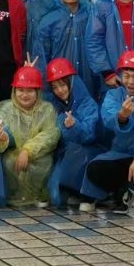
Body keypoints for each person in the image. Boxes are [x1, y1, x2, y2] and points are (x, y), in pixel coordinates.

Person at [80, 52, 134, 215]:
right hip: (123, 154)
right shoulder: (113, 95)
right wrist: (122, 116)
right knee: (95, 168)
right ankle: (121, 190)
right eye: (126, 76)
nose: (131, 82)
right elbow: (108, 118)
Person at [0, 66, 60, 209]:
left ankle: (38, 195)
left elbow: (50, 135)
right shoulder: (2, 109)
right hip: (10, 154)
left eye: (30, 90)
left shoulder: (47, 109)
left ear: (37, 92)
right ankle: (9, 196)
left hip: (39, 155)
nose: (25, 95)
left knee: (43, 162)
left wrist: (27, 150)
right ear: (14, 90)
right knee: (9, 162)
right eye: (21, 90)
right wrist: (1, 139)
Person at [44, 58, 100, 212]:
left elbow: (89, 135)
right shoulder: (54, 103)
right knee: (56, 197)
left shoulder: (87, 104)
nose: (60, 90)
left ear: (72, 82)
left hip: (85, 153)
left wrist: (74, 126)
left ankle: (90, 193)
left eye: (62, 84)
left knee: (58, 194)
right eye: (55, 87)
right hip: (63, 154)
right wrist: (30, 73)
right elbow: (34, 97)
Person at [32, 0, 98, 99]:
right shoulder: (48, 21)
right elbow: (41, 56)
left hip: (89, 80)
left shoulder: (92, 16)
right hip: (59, 84)